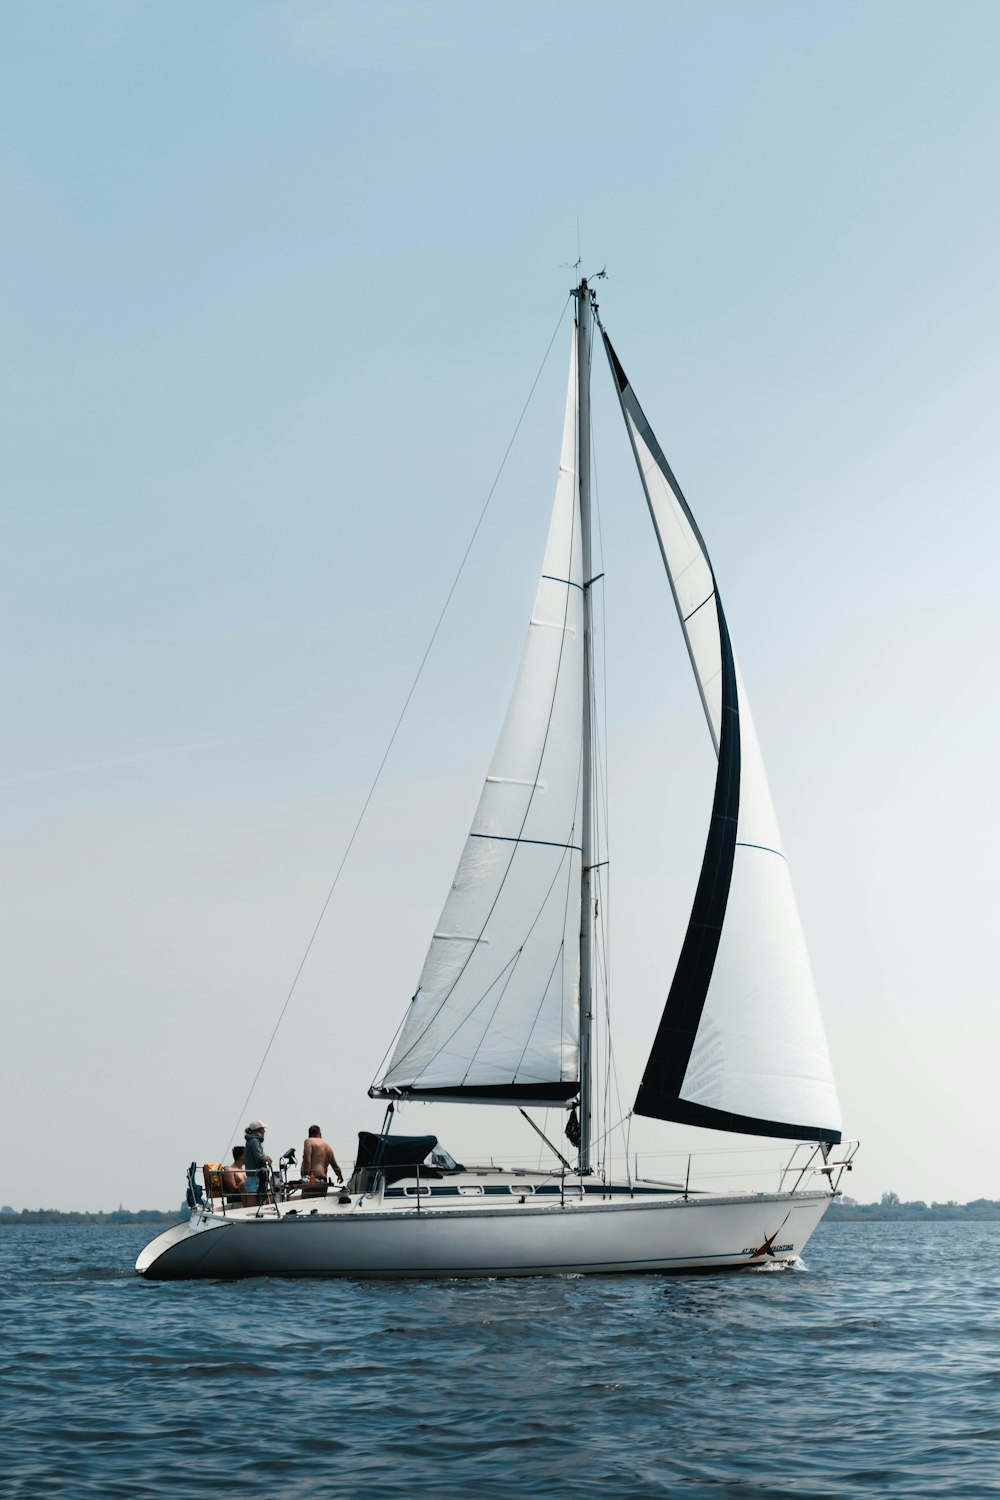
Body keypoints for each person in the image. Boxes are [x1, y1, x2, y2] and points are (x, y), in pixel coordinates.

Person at [301, 1125, 344, 1189]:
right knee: (320, 1198)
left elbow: (307, 1159)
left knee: (308, 1199)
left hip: (312, 1180)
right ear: (320, 1134)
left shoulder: (309, 1141)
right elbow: (335, 1166)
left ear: (309, 1135)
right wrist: (339, 1175)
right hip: (323, 1181)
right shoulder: (328, 1146)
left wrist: (306, 1177)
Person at [243, 1120, 271, 1204]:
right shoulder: (254, 1141)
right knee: (253, 1205)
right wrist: (267, 1158)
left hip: (254, 1177)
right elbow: (259, 1159)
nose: (265, 1131)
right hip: (254, 1177)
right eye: (263, 1129)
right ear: (259, 1130)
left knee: (257, 1203)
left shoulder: (252, 1141)